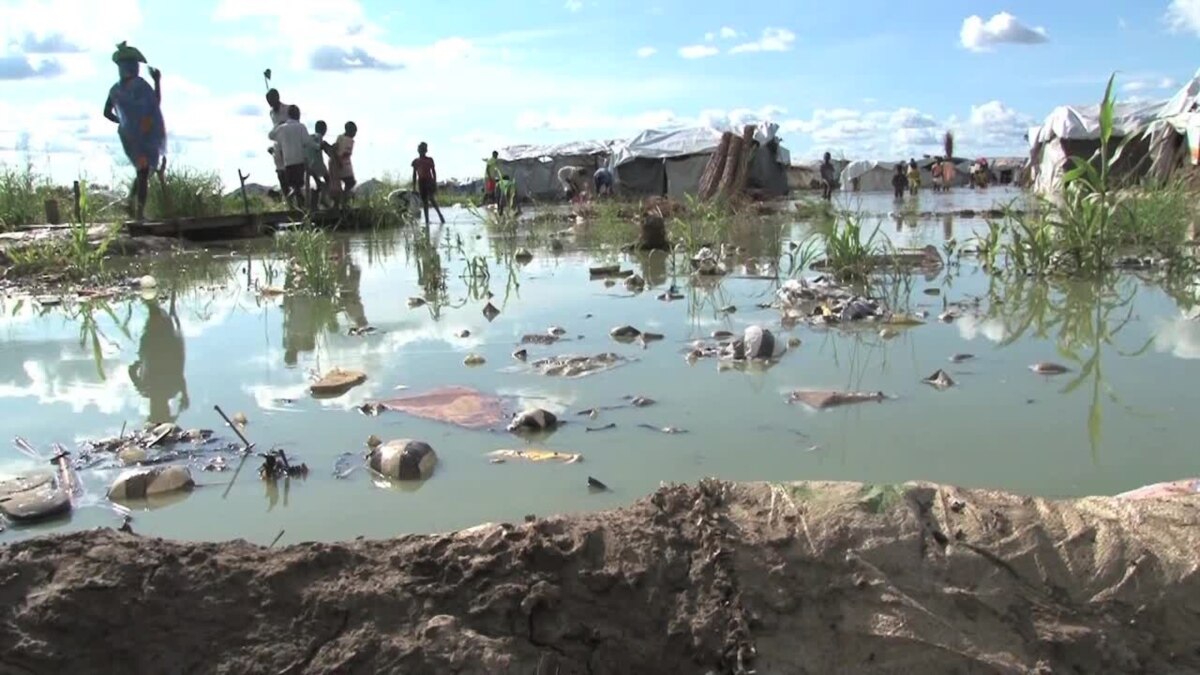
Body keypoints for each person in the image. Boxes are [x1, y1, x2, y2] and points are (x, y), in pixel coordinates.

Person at [103, 42, 166, 222]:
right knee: (144, 171)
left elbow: (106, 113)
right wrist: (157, 81)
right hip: (142, 135)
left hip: (128, 135)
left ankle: (131, 204)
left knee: (142, 171)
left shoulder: (115, 89)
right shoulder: (139, 85)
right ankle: (138, 213)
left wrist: (123, 122)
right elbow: (156, 103)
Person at [267, 105, 314, 208]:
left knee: (294, 186)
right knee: (298, 186)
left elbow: (271, 136)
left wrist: (277, 125)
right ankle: (293, 203)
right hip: (299, 160)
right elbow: (307, 142)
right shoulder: (301, 126)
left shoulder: (282, 128)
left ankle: (291, 204)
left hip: (287, 162)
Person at [411, 141, 445, 225]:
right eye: (420, 149)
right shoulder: (415, 161)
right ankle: (427, 220)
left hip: (429, 181)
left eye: (423, 149)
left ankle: (440, 215)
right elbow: (414, 175)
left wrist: (434, 182)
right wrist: (414, 187)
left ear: (425, 151)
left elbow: (433, 172)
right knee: (424, 202)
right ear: (418, 150)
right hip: (421, 182)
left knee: (431, 199)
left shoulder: (429, 160)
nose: (421, 151)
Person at [265, 88, 291, 194]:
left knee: (291, 175)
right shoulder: (271, 113)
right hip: (278, 145)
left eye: (271, 100)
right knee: (281, 174)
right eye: (268, 102)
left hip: (289, 145)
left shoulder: (288, 109)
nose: (270, 104)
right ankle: (288, 202)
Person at [329, 121, 357, 207]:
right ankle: (343, 201)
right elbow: (341, 152)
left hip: (339, 162)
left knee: (340, 184)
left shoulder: (341, 138)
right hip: (341, 163)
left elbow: (335, 148)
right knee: (350, 182)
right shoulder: (347, 140)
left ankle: (340, 202)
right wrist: (339, 161)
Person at [307, 120, 333, 208]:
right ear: (324, 130)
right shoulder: (319, 137)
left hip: (308, 164)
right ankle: (322, 199)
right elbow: (326, 149)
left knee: (319, 184)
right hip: (318, 164)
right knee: (329, 180)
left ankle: (314, 204)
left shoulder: (309, 137)